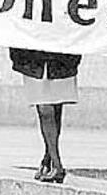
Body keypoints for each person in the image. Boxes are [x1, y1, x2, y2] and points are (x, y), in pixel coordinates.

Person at [9, 47, 82, 183]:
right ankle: (55, 162)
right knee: (45, 109)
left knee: (55, 107)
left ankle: (51, 161)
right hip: (33, 57)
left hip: (61, 57)